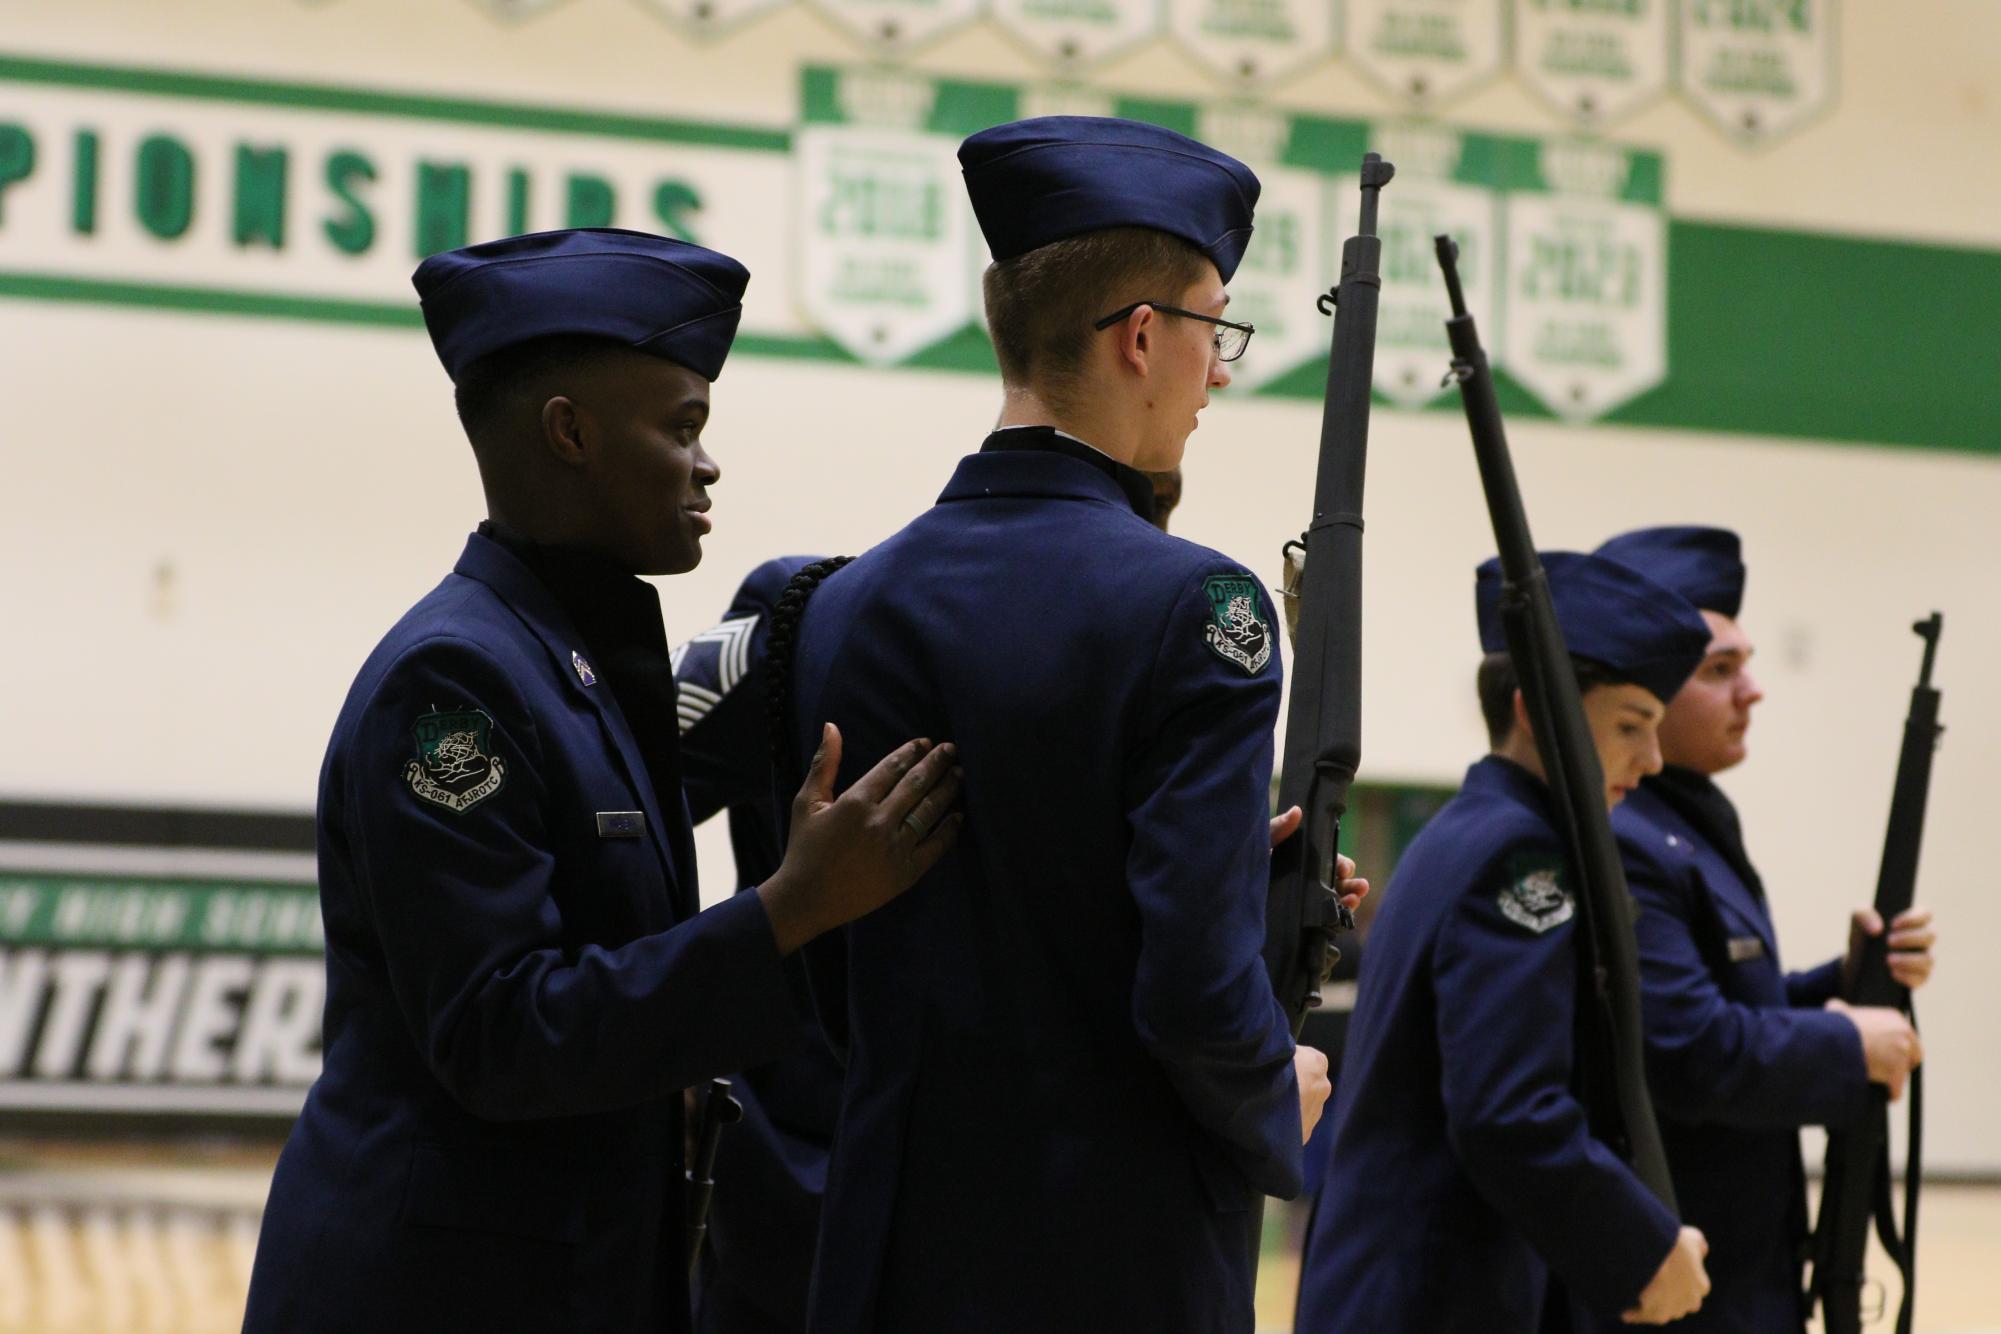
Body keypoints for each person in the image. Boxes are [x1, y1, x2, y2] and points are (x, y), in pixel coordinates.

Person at [242, 229, 963, 1334]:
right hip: (431, 1293)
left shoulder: (572, 657)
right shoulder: (454, 683)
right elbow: (501, 1031)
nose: (709, 464)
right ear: (570, 432)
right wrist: (792, 908)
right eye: (683, 427)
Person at [772, 117, 1352, 1333]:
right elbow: (1189, 987)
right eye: (1217, 329)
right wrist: (1271, 1089)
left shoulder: (840, 603)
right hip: (1110, 1259)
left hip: (884, 1253)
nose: (1222, 372)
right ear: (1145, 336)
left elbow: (835, 960)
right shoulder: (1197, 603)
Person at [679, 471, 1191, 1333]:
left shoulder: (1155, 680)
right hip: (798, 1188)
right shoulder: (803, 612)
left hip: (1034, 1212)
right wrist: (664, 1034)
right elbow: (616, 811)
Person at [1295, 551, 1717, 1332]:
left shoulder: (1461, 831)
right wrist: (1643, 1249)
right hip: (1433, 1297)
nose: (1651, 760)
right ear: (1536, 711)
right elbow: (1508, 1112)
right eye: (1630, 725)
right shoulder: (1518, 857)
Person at [1589, 525, 1934, 1334]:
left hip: (1732, 1268)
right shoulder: (1629, 832)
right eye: (1719, 670)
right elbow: (1685, 1050)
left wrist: (1840, 984)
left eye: (1744, 664)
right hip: (1676, 1276)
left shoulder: (1688, 817)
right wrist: (1847, 1046)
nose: (1753, 691)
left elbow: (1722, 997)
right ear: (1643, 687)